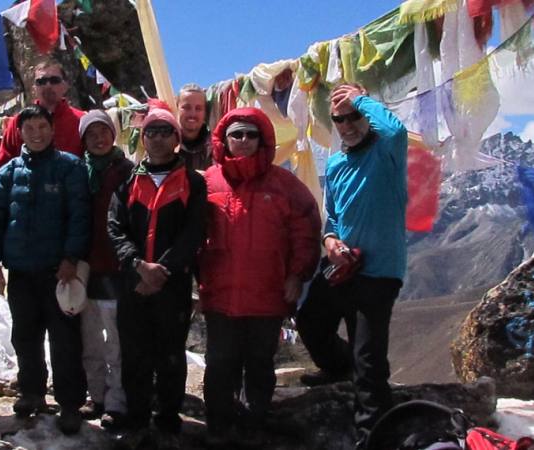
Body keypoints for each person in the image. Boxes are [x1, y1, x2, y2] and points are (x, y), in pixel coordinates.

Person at [199, 108, 321, 448]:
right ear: (223, 140)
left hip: (267, 294)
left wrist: (298, 274)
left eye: (251, 134)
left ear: (263, 140)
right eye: (236, 134)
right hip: (220, 293)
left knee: (259, 363)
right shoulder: (207, 182)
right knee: (220, 363)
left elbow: (306, 232)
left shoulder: (285, 185)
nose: (243, 141)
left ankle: (255, 424)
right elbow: (189, 233)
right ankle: (219, 428)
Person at [295, 83, 408, 445]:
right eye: (339, 118)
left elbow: (395, 129)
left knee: (370, 363)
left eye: (354, 115)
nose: (347, 124)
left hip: (378, 274)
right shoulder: (337, 163)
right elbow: (332, 219)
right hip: (343, 269)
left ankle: (374, 437)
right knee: (310, 319)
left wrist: (360, 98)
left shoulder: (387, 152)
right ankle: (339, 370)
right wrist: (330, 242)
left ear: (367, 114)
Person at [0, 105, 91, 435]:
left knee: (65, 341)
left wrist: (72, 257)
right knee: (25, 337)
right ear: (20, 133)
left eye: (42, 126)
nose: (37, 133)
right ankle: (32, 393)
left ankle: (70, 403)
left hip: (59, 272)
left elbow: (80, 216)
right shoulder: (7, 173)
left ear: (52, 129)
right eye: (29, 128)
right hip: (21, 272)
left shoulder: (70, 168)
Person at [107, 108, 207, 449]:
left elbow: (194, 232)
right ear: (143, 138)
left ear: (177, 139)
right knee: (134, 353)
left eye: (166, 131)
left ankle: (167, 418)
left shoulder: (194, 182)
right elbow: (115, 229)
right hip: (133, 282)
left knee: (170, 353)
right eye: (152, 131)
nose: (159, 137)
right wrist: (138, 265)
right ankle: (137, 418)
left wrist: (160, 271)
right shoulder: (128, 181)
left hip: (172, 283)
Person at [77, 110, 133, 430]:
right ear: (84, 140)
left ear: (113, 134)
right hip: (86, 267)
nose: (98, 138)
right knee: (90, 340)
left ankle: (116, 400)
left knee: (115, 340)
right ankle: (94, 395)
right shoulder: (78, 171)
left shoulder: (127, 171)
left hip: (115, 267)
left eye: (103, 132)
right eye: (91, 134)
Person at [0, 60, 84, 169]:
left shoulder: (82, 121)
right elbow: (2, 167)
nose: (48, 85)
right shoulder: (19, 122)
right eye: (41, 81)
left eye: (54, 80)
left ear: (65, 86)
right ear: (34, 89)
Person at [176, 83, 213, 172]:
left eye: (198, 108)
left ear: (205, 112)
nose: (192, 114)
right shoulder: (164, 142)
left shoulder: (214, 148)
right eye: (186, 107)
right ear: (177, 108)